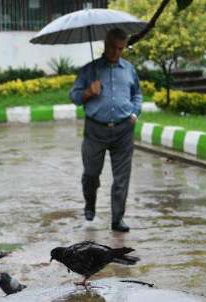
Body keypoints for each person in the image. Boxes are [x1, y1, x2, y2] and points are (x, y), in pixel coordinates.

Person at [69, 28, 142, 233]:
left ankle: (117, 219)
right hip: (95, 130)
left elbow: (137, 94)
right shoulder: (89, 70)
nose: (116, 52)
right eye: (112, 47)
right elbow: (73, 97)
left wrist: (135, 113)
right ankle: (90, 203)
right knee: (91, 174)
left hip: (123, 129)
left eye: (120, 49)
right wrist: (88, 93)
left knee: (122, 177)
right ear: (105, 44)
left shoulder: (129, 70)